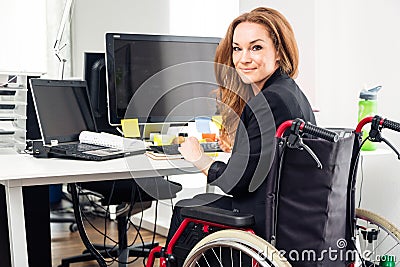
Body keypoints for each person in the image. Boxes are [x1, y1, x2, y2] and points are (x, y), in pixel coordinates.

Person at [167, 6, 316, 243]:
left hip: (266, 219)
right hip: (293, 214)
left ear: (279, 51)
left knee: (185, 208)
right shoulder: (289, 92)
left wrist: (199, 158)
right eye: (237, 49)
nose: (243, 59)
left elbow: (236, 183)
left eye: (256, 47)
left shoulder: (269, 101)